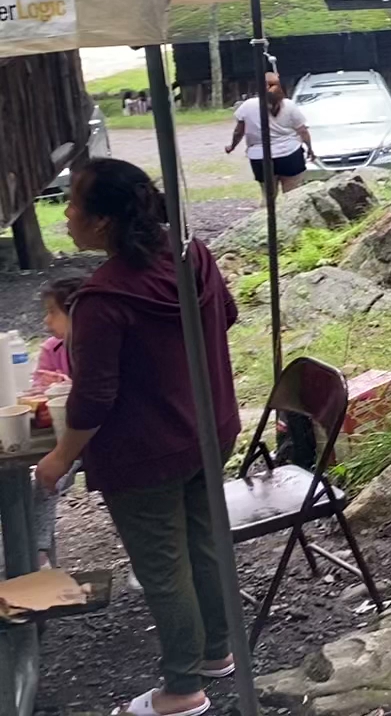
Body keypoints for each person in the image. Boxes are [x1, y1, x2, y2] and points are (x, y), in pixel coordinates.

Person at [37, 159, 242, 716]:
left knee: (163, 566)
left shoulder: (103, 300)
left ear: (102, 221)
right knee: (202, 542)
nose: (67, 214)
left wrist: (58, 458)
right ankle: (217, 651)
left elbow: (94, 399)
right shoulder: (192, 256)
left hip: (148, 452)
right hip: (211, 428)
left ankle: (182, 689)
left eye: (73, 203)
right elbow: (224, 315)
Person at [31, 278, 81, 568]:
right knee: (42, 477)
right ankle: (38, 557)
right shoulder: (52, 349)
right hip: (63, 439)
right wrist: (44, 392)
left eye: (53, 312)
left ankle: (145, 559)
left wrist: (71, 387)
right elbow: (38, 389)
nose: (45, 320)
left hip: (94, 436)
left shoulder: (97, 346)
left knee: (47, 472)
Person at [225, 72, 314, 195]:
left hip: (260, 157)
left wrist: (232, 146)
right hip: (290, 154)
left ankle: (267, 213)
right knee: (293, 195)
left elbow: (238, 131)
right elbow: (302, 131)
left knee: (268, 197)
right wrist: (310, 149)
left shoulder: (247, 106)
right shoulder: (289, 105)